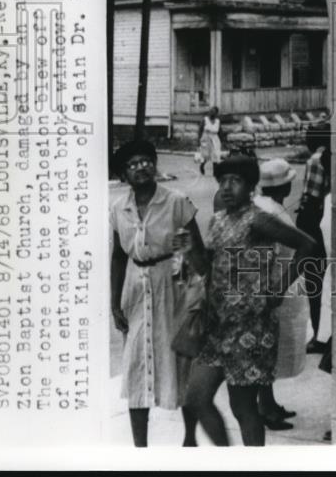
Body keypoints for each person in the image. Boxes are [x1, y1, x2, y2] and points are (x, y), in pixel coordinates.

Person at [186, 152, 315, 446]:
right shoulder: (217, 220)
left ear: (251, 187)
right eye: (223, 181)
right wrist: (189, 249)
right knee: (196, 397)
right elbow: (207, 268)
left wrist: (279, 288)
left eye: (237, 181)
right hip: (217, 327)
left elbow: (306, 245)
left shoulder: (258, 219)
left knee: (243, 408)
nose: (228, 187)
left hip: (251, 329)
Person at [110, 138, 208, 447]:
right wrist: (115, 303)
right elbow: (119, 255)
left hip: (173, 284)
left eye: (145, 160)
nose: (141, 166)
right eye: (132, 163)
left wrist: (193, 284)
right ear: (124, 175)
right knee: (137, 365)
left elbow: (196, 251)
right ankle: (141, 448)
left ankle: (189, 438)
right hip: (136, 291)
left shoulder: (176, 201)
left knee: (182, 362)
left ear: (154, 165)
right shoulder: (118, 207)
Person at [253, 157, 310, 430]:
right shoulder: (271, 212)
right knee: (268, 349)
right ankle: (265, 409)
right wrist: (278, 287)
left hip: (279, 284)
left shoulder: (265, 205)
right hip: (276, 286)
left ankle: (269, 402)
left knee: (271, 349)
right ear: (284, 186)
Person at [295, 122, 331, 353]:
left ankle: (318, 337)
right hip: (327, 222)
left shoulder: (315, 161)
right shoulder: (331, 157)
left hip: (314, 224)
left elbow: (311, 196)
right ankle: (325, 334)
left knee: (314, 282)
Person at [196, 106, 222, 176]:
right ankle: (202, 166)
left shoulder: (217, 121)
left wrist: (222, 140)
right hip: (206, 138)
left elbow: (220, 132)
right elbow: (200, 130)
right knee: (206, 155)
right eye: (211, 111)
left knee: (215, 155)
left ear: (216, 113)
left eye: (214, 112)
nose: (212, 113)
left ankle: (215, 171)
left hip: (215, 138)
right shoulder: (205, 120)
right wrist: (198, 140)